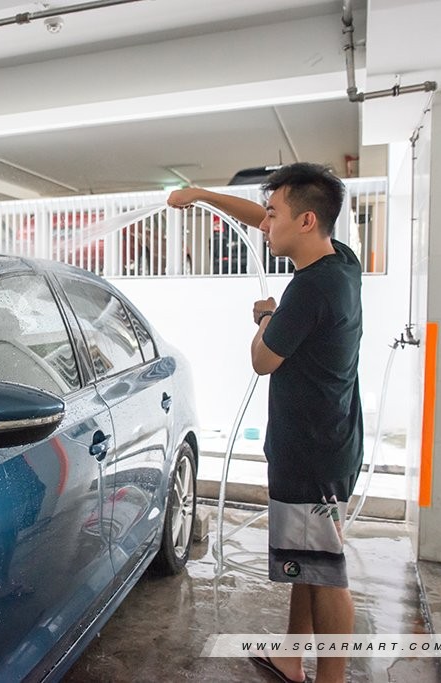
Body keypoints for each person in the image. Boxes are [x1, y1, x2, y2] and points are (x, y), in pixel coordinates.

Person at [168, 163, 363, 683]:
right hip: (332, 441)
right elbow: (262, 215)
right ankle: (290, 657)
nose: (264, 222)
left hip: (311, 453)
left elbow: (262, 359)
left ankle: (331, 678)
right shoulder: (340, 260)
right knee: (310, 561)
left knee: (327, 576)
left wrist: (265, 317)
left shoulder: (309, 292)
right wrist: (204, 195)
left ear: (303, 221)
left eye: (274, 213)